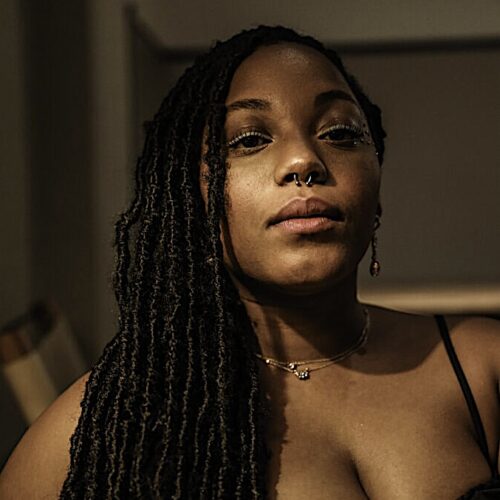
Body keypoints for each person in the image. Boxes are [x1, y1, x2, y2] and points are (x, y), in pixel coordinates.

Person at [0, 25, 499, 500]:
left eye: (340, 132)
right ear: (191, 199)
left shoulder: (484, 367)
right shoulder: (97, 432)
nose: (304, 161)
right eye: (249, 140)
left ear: (377, 183)